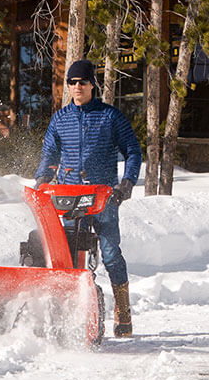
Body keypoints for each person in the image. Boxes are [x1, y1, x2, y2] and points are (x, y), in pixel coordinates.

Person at [34, 59, 142, 338]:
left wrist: (127, 182)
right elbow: (49, 153)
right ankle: (68, 312)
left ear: (92, 84)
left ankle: (123, 309)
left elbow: (132, 149)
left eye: (82, 82)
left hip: (103, 196)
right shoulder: (60, 119)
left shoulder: (109, 116)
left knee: (110, 253)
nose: (77, 87)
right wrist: (42, 180)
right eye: (72, 82)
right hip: (69, 198)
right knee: (65, 255)